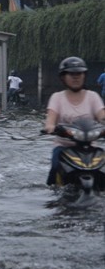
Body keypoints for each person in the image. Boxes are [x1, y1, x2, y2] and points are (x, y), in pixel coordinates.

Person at [43, 56, 105, 185]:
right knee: (55, 166)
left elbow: (102, 116)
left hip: (91, 146)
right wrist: (51, 128)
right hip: (64, 146)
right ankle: (52, 194)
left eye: (79, 73)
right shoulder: (57, 97)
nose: (76, 77)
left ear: (84, 75)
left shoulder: (93, 97)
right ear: (63, 77)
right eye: (71, 74)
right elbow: (50, 120)